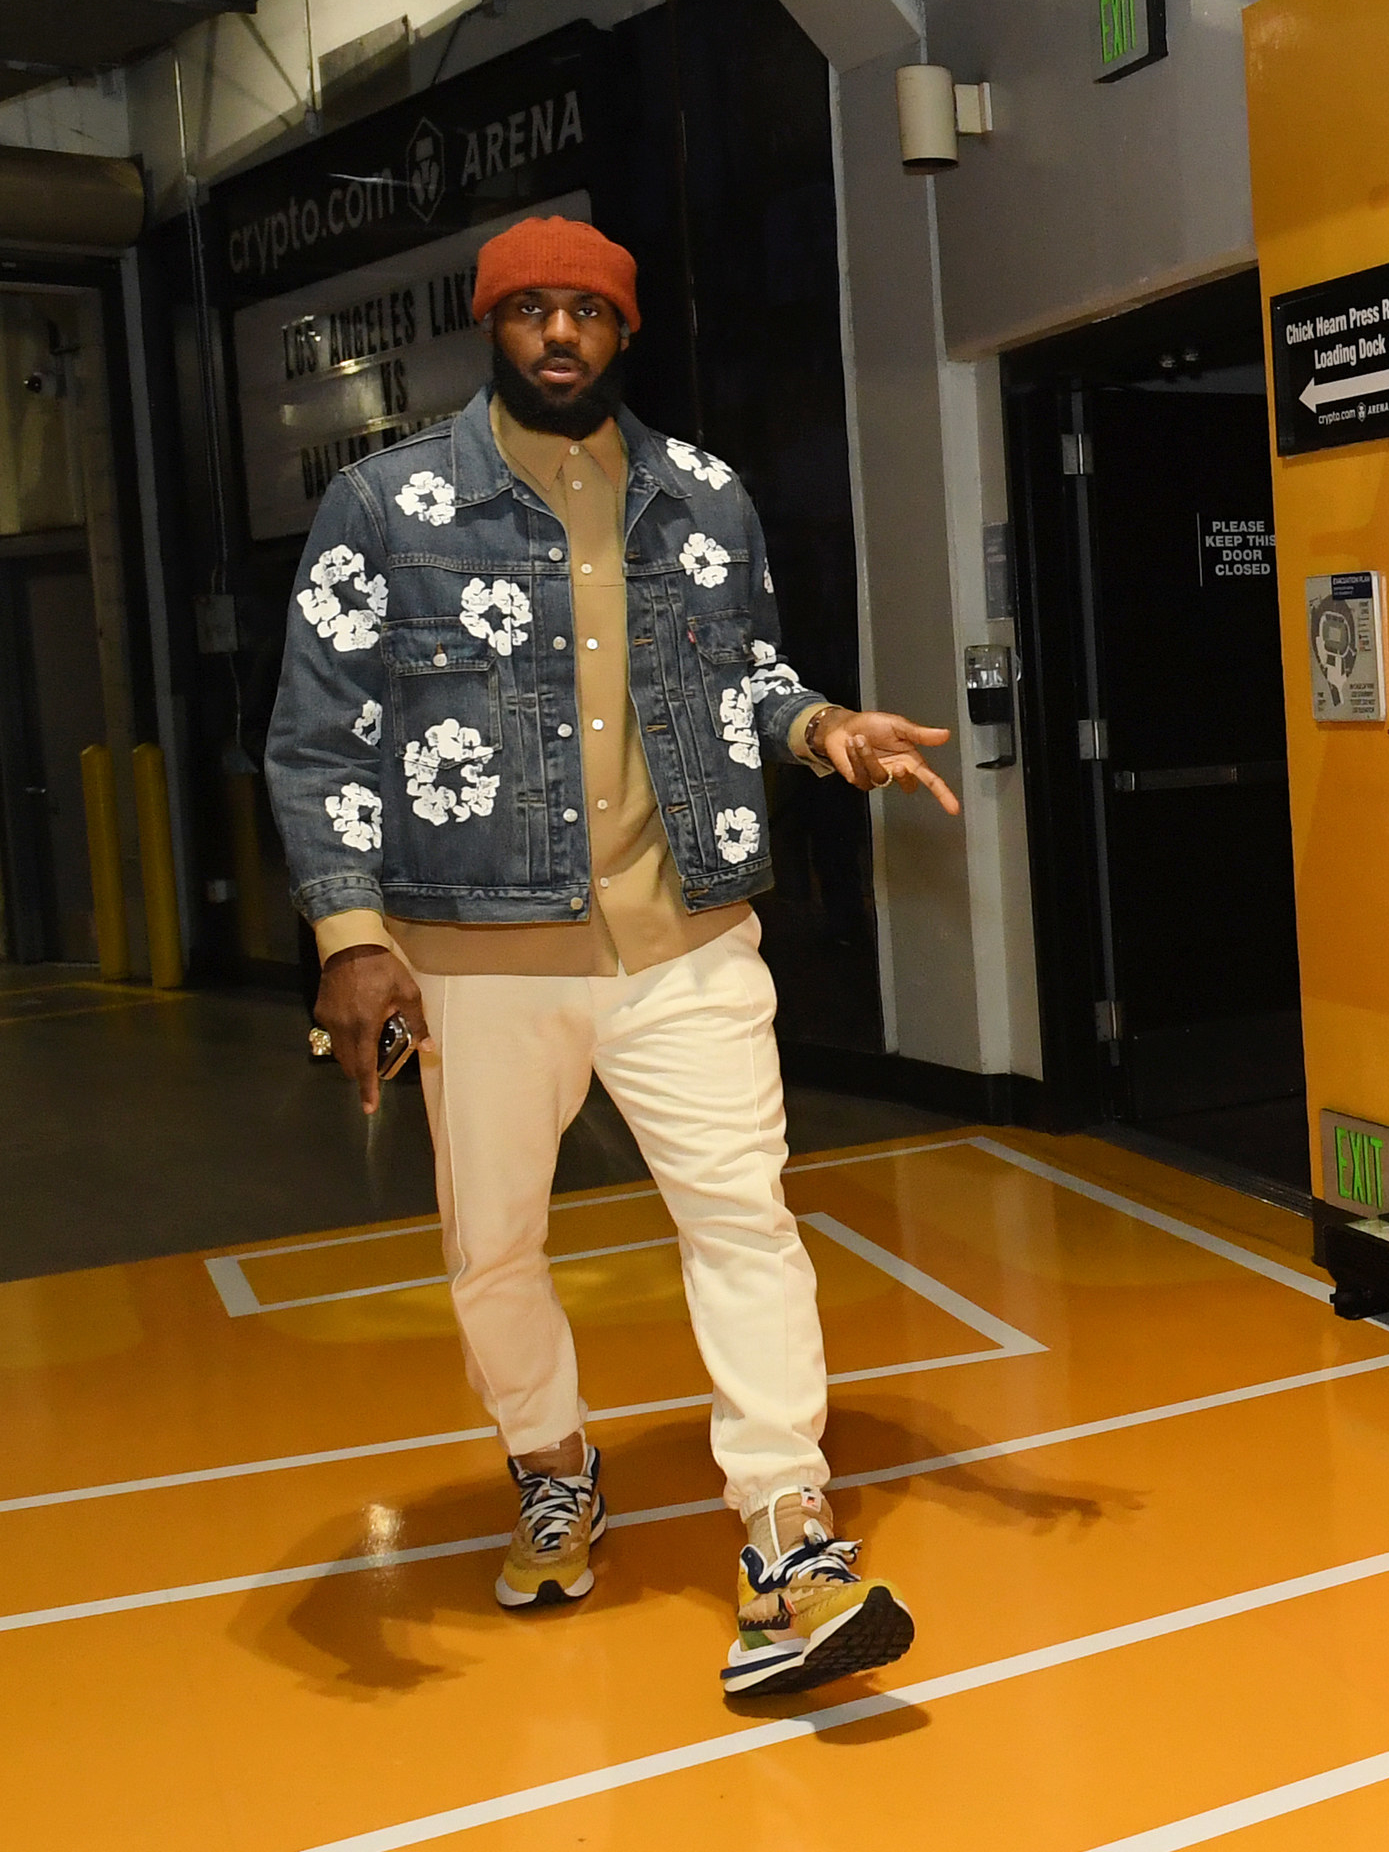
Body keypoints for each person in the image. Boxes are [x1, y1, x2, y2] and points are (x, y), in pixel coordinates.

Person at [265, 214, 959, 1698]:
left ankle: (788, 1537)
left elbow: (749, 673)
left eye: (588, 311)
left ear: (624, 332)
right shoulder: (382, 508)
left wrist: (822, 730)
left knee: (746, 1222)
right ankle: (554, 1468)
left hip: (687, 939)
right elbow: (320, 739)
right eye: (532, 313)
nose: (560, 335)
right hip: (476, 958)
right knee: (492, 1246)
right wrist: (352, 935)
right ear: (491, 331)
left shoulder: (704, 496)